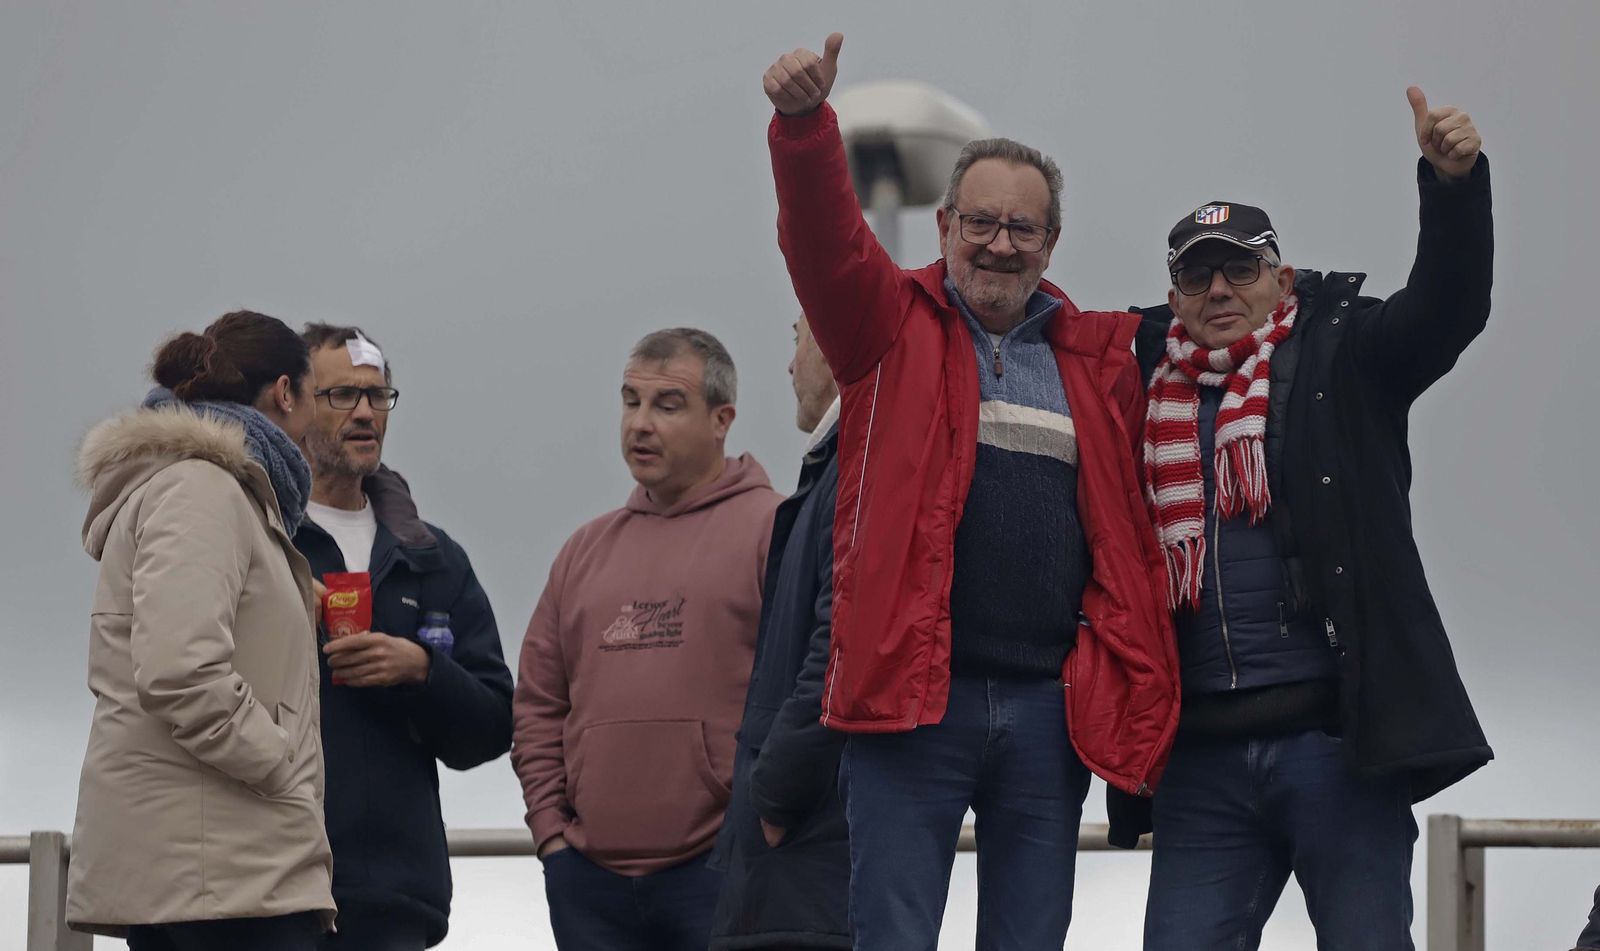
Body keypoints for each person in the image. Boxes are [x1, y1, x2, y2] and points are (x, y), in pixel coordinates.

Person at [763, 33, 1178, 951]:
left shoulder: (1097, 358)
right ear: (945, 225)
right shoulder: (884, 328)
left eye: (1020, 227)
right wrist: (804, 127)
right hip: (914, 704)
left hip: (1047, 711)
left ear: (1051, 241)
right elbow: (825, 243)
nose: (998, 244)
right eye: (980, 222)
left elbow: (1222, 312)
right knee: (894, 935)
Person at [1131, 88, 1494, 950]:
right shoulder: (1139, 377)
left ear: (1281, 279)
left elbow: (1448, 310)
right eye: (1196, 272)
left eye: (1240, 268)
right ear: (1172, 296)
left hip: (1337, 743)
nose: (1219, 288)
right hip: (1202, 758)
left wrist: (1453, 185)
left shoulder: (1346, 351)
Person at [68, 311, 334, 950]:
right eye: (317, 395)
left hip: (216, 874)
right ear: (284, 392)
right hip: (219, 882)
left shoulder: (209, 488)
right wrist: (278, 762)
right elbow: (179, 669)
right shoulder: (202, 488)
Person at [511, 328, 783, 951]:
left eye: (667, 405)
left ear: (722, 420)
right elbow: (538, 704)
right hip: (589, 885)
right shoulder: (583, 550)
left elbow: (808, 688)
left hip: (723, 870)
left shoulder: (774, 529)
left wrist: (761, 825)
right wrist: (551, 834)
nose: (640, 424)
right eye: (630, 401)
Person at [292, 324, 514, 950]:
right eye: (343, 396)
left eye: (377, 396)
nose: (365, 413)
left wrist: (421, 671)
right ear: (297, 402)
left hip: (392, 897)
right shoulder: (260, 541)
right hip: (262, 888)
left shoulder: (432, 557)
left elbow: (495, 725)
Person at [709, 315, 848, 950]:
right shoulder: (830, 473)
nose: (791, 367)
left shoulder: (851, 474)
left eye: (797, 338)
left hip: (804, 862)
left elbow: (834, 654)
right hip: (788, 872)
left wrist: (772, 796)